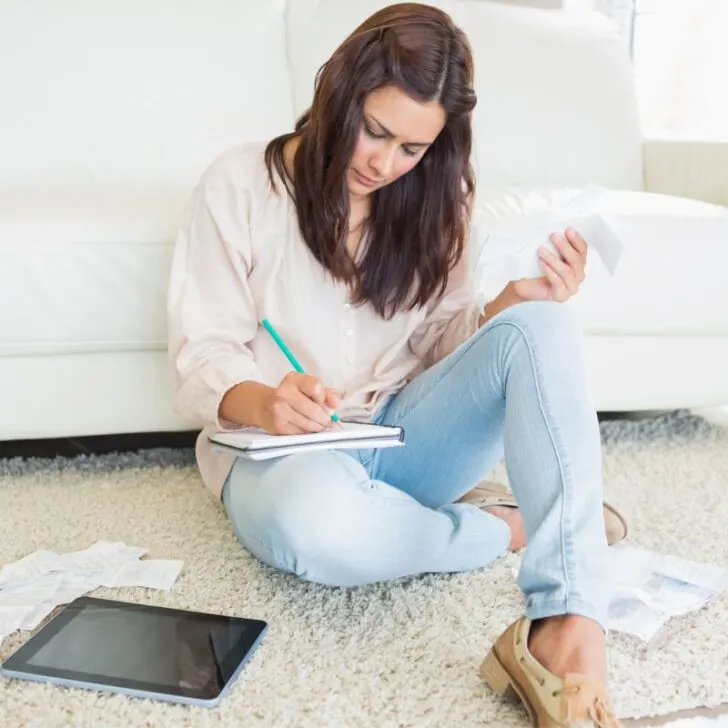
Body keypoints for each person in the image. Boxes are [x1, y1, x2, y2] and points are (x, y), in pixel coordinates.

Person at [167, 3, 626, 726]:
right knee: (320, 530)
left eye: (411, 148)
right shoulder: (239, 186)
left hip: (403, 437)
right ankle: (509, 528)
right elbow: (203, 355)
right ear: (339, 94)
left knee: (543, 322)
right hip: (284, 456)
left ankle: (568, 621)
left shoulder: (440, 204)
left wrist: (514, 300)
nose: (383, 163)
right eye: (374, 131)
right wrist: (265, 400)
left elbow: (445, 348)